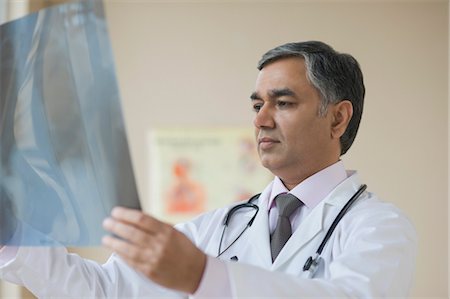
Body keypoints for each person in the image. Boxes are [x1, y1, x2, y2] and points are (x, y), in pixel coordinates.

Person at [0, 41, 417, 298]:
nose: (260, 120)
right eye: (257, 105)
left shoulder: (379, 228)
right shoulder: (218, 227)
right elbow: (106, 292)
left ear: (337, 119)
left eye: (283, 103)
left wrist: (203, 277)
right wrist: (12, 235)